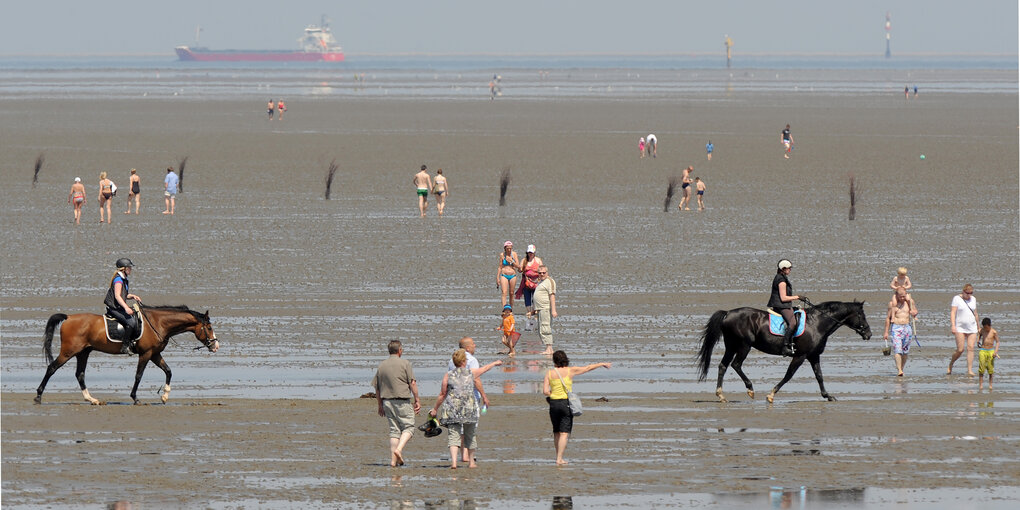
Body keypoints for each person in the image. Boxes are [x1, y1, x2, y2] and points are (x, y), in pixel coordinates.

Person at [429, 349, 502, 469]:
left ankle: (453, 463)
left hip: (452, 408)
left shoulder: (448, 375)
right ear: (463, 361)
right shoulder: (470, 372)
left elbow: (442, 394)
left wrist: (435, 409)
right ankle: (471, 462)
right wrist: (494, 363)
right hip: (469, 408)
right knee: (470, 434)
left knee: (453, 436)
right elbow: (484, 369)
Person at [542, 350, 611, 465]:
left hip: (553, 404)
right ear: (565, 359)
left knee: (556, 432)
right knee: (564, 433)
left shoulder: (549, 373)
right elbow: (587, 368)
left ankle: (557, 456)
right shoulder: (570, 370)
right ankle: (559, 459)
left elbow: (545, 391)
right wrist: (601, 364)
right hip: (565, 403)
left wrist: (553, 393)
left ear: (554, 361)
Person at [445, 337, 501, 463]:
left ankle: (462, 455)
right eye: (473, 344)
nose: (475, 346)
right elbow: (476, 379)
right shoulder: (472, 360)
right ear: (468, 348)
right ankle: (466, 456)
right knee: (470, 427)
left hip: (455, 398)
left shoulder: (451, 360)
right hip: (470, 398)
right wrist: (484, 396)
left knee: (458, 428)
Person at [372, 340, 421, 467]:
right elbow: (412, 383)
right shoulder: (405, 364)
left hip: (387, 402)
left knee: (394, 431)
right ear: (400, 350)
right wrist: (417, 400)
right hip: (402, 401)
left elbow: (376, 388)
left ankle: (393, 461)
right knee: (409, 428)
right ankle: (398, 450)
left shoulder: (381, 365)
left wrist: (379, 405)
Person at [104, 258, 143, 354]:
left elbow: (124, 295)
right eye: (129, 267)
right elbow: (117, 296)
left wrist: (132, 296)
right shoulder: (118, 279)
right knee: (131, 322)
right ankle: (125, 346)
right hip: (114, 308)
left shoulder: (124, 279)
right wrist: (126, 308)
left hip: (119, 307)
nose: (131, 269)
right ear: (124, 269)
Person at [768, 259, 806, 357]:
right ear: (783, 269)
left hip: (784, 305)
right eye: (789, 268)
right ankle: (785, 347)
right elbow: (783, 298)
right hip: (781, 305)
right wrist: (797, 297)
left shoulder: (782, 277)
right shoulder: (781, 281)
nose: (790, 270)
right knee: (793, 323)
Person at [884, 288, 919, 376]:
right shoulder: (892, 304)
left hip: (907, 327)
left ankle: (902, 368)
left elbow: (915, 311)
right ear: (897, 295)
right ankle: (899, 370)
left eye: (904, 296)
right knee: (897, 349)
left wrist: (914, 313)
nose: (902, 298)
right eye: (900, 297)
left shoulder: (909, 302)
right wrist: (886, 332)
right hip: (896, 327)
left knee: (905, 351)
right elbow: (888, 318)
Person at [948, 284, 978, 376]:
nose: (969, 295)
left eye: (971, 293)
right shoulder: (957, 299)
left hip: (972, 327)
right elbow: (953, 312)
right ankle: (951, 364)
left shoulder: (973, 299)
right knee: (960, 349)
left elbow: (975, 313)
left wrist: (978, 326)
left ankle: (969, 370)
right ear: (963, 292)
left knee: (971, 348)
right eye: (967, 293)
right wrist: (953, 326)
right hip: (960, 327)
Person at [516, 245, 544, 331]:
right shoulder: (524, 261)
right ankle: (529, 316)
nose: (530, 254)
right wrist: (519, 268)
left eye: (531, 253)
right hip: (526, 283)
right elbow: (520, 270)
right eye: (529, 252)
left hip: (536, 283)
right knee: (527, 299)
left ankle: (535, 316)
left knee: (535, 299)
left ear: (534, 253)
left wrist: (540, 278)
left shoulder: (538, 260)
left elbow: (542, 270)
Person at [533, 265, 557, 355]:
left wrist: (553, 310)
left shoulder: (549, 281)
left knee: (545, 327)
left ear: (547, 272)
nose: (542, 274)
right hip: (539, 309)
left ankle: (549, 348)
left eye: (544, 273)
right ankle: (549, 348)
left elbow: (552, 296)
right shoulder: (541, 282)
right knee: (541, 328)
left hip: (545, 308)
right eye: (540, 273)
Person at [977, 318, 1000, 390]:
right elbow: (979, 335)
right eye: (984, 327)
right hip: (983, 350)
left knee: (990, 369)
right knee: (981, 368)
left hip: (991, 351)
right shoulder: (982, 330)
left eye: (987, 328)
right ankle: (981, 385)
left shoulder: (993, 332)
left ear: (990, 325)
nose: (986, 329)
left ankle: (990, 385)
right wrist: (978, 341)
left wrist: (995, 352)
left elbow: (998, 342)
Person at [497, 241, 520, 309]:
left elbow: (518, 266)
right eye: (508, 248)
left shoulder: (514, 254)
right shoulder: (502, 255)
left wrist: (511, 261)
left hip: (513, 275)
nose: (509, 250)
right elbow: (500, 267)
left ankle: (511, 309)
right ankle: (504, 308)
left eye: (510, 248)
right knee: (504, 292)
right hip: (504, 275)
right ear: (505, 248)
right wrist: (497, 277)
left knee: (511, 293)